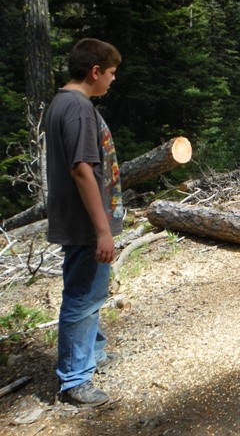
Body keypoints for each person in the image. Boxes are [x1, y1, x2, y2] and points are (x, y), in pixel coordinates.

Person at [45, 38, 124, 406]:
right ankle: (75, 379)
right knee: (82, 298)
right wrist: (102, 230)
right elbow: (81, 171)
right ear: (95, 71)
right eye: (110, 73)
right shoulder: (77, 108)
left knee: (89, 292)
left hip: (81, 221)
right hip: (84, 224)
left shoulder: (65, 101)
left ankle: (92, 353)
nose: (112, 80)